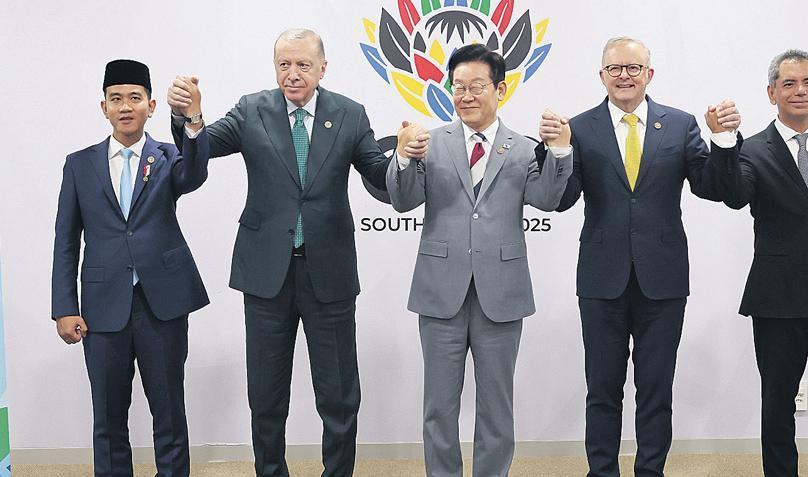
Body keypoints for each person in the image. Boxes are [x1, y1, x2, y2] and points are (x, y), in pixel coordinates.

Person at [167, 28, 427, 477]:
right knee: (266, 396)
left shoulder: (349, 114)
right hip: (266, 275)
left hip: (330, 275)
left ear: (323, 68)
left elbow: (378, 175)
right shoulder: (252, 110)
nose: (293, 74)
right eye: (284, 64)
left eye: (303, 65)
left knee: (339, 396)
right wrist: (189, 117)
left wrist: (401, 157)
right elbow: (203, 145)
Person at [555, 37, 741, 476]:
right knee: (602, 389)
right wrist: (558, 150)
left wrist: (723, 139)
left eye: (633, 68)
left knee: (656, 390)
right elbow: (562, 200)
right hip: (601, 279)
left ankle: (650, 471)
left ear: (649, 74)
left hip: (664, 279)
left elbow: (713, 187)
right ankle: (602, 471)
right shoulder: (579, 128)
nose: (624, 76)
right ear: (602, 75)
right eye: (615, 68)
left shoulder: (679, 125)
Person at [387, 44, 573, 477]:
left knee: (496, 407)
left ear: (500, 90)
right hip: (440, 293)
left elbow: (547, 199)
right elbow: (403, 201)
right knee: (438, 408)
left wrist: (560, 152)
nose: (466, 95)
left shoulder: (524, 148)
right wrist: (402, 157)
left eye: (476, 86)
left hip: (501, 295)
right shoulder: (429, 143)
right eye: (458, 87)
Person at [706, 49, 808, 476]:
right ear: (771, 93)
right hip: (777, 301)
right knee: (777, 404)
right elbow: (733, 195)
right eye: (789, 83)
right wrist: (723, 142)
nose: (800, 90)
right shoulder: (752, 149)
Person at [51, 59, 210, 477]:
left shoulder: (170, 157)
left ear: (151, 106)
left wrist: (192, 117)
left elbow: (195, 174)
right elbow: (66, 242)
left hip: (163, 304)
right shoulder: (79, 164)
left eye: (135, 98)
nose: (125, 106)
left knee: (169, 411)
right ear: (103, 107)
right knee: (107, 417)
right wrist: (64, 307)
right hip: (103, 306)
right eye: (116, 98)